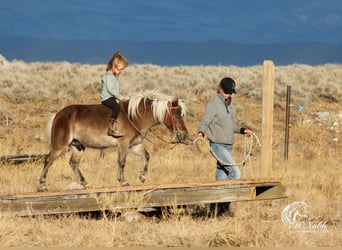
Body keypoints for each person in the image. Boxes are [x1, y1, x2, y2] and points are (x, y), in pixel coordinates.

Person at [197, 77, 252, 216]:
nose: (229, 94)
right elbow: (204, 122)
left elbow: (229, 125)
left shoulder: (230, 105)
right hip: (217, 145)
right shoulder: (212, 105)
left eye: (231, 92)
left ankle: (214, 211)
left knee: (220, 180)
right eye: (227, 92)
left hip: (228, 146)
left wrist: (241, 130)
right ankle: (224, 206)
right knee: (235, 173)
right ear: (220, 89)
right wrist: (201, 133)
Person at [101, 51, 129, 137]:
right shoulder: (108, 76)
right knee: (116, 107)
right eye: (120, 69)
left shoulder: (113, 76)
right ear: (114, 66)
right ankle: (111, 128)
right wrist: (119, 97)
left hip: (112, 98)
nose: (121, 72)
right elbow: (110, 89)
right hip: (107, 99)